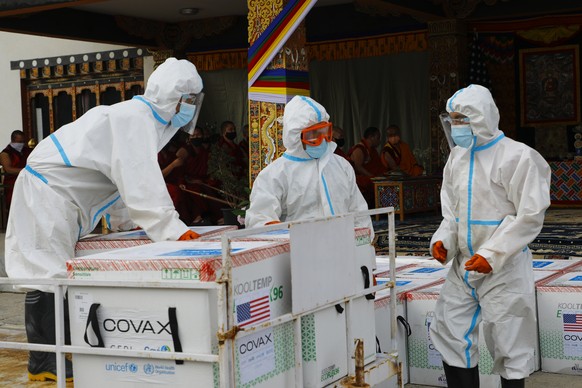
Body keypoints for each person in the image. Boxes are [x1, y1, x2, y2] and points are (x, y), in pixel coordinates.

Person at [5, 57, 204, 382]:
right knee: (47, 273)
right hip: (48, 191)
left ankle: (55, 354)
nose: (191, 107)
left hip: (62, 195)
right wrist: (172, 230)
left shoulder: (148, 123)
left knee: (55, 276)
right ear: (173, 97)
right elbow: (141, 180)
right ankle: (44, 361)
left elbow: (117, 181)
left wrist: (129, 223)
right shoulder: (134, 119)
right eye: (189, 100)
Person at [429, 85, 551, 388]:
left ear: (481, 117)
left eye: (461, 119)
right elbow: (452, 214)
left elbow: (529, 215)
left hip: (504, 269)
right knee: (450, 330)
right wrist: (444, 240)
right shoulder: (457, 158)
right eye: (452, 119)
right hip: (463, 267)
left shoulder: (518, 157)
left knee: (509, 339)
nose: (456, 126)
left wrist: (492, 254)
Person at [245, 95, 372, 234]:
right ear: (296, 137)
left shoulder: (341, 165)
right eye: (313, 135)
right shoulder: (275, 174)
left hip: (343, 248)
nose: (322, 139)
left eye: (324, 132)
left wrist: (363, 244)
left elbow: (359, 212)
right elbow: (260, 220)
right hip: (298, 252)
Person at [348, 126, 384, 208]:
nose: (379, 141)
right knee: (370, 183)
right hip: (359, 178)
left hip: (371, 176)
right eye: (378, 138)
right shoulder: (360, 149)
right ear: (371, 137)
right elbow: (357, 167)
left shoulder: (372, 150)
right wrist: (372, 177)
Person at [0, 130, 31, 209]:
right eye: (19, 142)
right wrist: (26, 171)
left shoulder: (26, 151)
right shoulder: (5, 154)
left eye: (23, 141)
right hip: (12, 184)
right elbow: (9, 169)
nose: (21, 144)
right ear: (13, 140)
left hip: (27, 182)